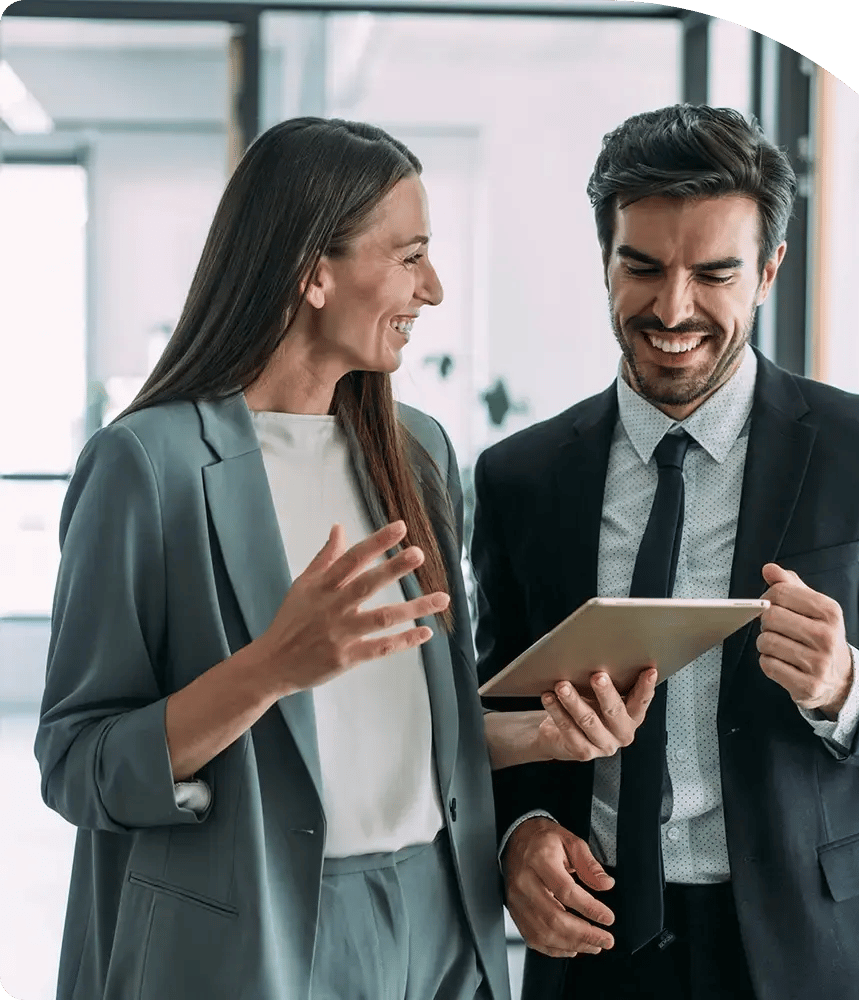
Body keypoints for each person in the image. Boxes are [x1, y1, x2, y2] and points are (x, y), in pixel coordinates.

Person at [33, 117, 657, 1000]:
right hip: (253, 938)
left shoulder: (419, 453)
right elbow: (79, 765)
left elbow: (394, 731)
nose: (432, 289)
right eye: (409, 256)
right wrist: (271, 669)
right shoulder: (147, 466)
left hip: (437, 924)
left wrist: (537, 734)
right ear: (312, 272)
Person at [472, 104, 859, 1000]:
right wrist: (520, 833)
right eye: (641, 268)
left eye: (714, 273)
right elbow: (495, 712)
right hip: (598, 952)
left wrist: (846, 685)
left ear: (768, 271)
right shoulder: (521, 477)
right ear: (604, 259)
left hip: (823, 952)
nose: (672, 310)